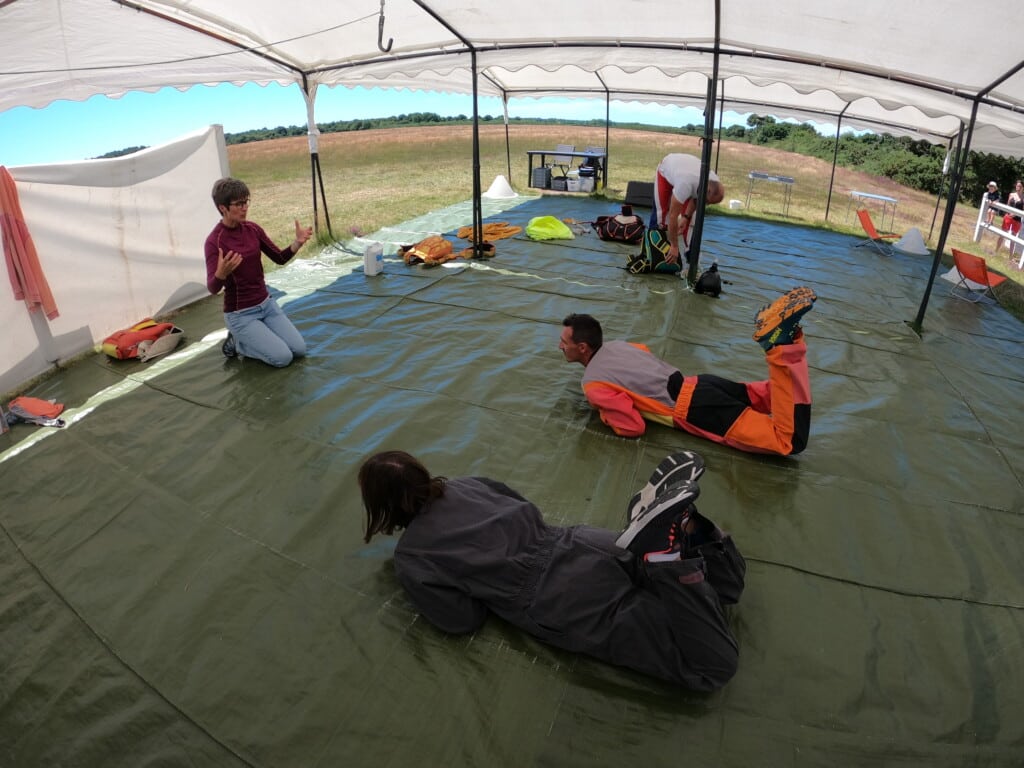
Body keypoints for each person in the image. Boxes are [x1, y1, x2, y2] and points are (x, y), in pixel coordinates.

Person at [358, 448, 745, 691]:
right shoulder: (467, 484)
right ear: (420, 472)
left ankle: (666, 559)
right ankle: (694, 531)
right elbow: (520, 501)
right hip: (581, 541)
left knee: (713, 666)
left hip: (558, 596)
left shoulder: (413, 557)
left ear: (380, 507)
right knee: (723, 592)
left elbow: (460, 621)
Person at [560, 286, 816, 456]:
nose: (560, 346)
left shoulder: (592, 385)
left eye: (564, 342)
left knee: (788, 441)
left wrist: (604, 414)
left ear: (582, 347)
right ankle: (790, 342)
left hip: (695, 409)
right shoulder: (618, 345)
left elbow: (632, 426)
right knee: (769, 396)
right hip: (699, 384)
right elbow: (644, 354)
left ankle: (779, 345)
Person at [204, 177, 312, 367]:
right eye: (239, 204)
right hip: (240, 314)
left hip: (266, 305)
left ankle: (254, 336)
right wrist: (221, 273)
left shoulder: (252, 229)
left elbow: (279, 257)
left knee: (299, 350)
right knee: (282, 358)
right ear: (223, 208)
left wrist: (297, 244)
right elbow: (213, 288)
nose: (245, 207)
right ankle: (238, 343)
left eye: (246, 201)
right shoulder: (215, 242)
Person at [650, 153, 726, 266]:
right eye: (707, 202)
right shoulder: (684, 184)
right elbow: (673, 216)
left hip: (688, 174)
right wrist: (674, 246)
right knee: (661, 218)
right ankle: (655, 253)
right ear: (707, 191)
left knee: (690, 223)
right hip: (666, 171)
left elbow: (696, 201)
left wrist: (686, 217)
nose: (707, 205)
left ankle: (692, 261)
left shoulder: (714, 181)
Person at [999, 180, 1023, 252]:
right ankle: (996, 251)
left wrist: (1015, 214)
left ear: (1023, 188)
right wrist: (1009, 213)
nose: (1018, 187)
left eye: (1019, 186)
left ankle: (1010, 257)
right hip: (1008, 217)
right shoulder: (1011, 194)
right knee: (1002, 234)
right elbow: (1008, 205)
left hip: (1017, 219)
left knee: (1013, 239)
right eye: (1017, 185)